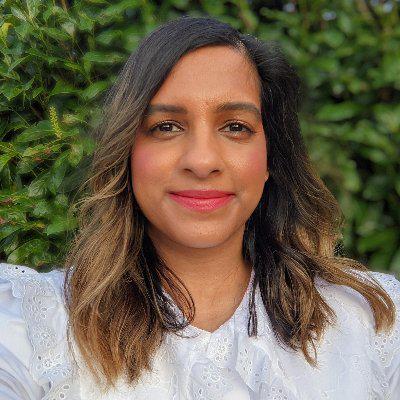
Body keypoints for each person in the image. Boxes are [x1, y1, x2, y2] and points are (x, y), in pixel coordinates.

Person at [0, 15, 399, 400]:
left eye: (235, 127)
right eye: (166, 127)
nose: (203, 161)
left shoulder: (375, 322)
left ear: (270, 157)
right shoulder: (34, 325)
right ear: (126, 152)